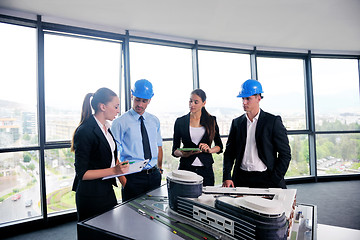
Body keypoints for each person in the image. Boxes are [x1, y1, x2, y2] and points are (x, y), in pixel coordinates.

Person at [71, 87, 129, 222]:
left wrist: (121, 172)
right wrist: (113, 170)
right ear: (102, 106)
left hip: (106, 190)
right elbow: (82, 174)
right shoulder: (85, 131)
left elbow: (111, 159)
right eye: (115, 106)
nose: (118, 110)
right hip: (90, 195)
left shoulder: (107, 129)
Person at [222, 79, 291, 189]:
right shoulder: (237, 123)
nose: (244, 102)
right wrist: (227, 176)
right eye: (243, 99)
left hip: (266, 178)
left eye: (248, 99)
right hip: (241, 179)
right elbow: (229, 153)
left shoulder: (272, 122)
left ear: (258, 98)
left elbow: (285, 154)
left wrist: (274, 180)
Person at [111, 79, 163, 201]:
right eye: (137, 99)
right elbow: (112, 154)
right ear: (131, 96)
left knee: (154, 214)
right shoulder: (120, 123)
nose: (140, 104)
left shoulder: (154, 121)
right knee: (131, 217)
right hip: (132, 178)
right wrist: (125, 182)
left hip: (154, 175)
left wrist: (159, 169)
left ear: (149, 100)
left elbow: (159, 147)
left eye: (144, 101)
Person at [172, 89, 223, 186]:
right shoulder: (180, 121)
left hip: (206, 170)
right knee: (185, 198)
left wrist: (210, 150)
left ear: (204, 103)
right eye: (190, 101)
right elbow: (174, 150)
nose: (192, 104)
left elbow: (219, 146)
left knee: (206, 199)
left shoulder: (211, 120)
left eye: (196, 102)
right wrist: (183, 154)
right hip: (186, 169)